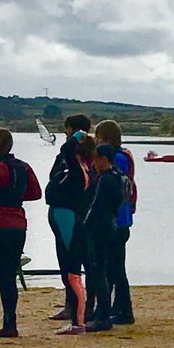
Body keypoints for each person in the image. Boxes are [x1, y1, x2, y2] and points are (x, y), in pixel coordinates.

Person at [0, 128, 42, 338]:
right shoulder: (24, 167)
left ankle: (9, 323)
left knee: (3, 275)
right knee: (11, 273)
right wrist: (16, 195)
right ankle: (10, 320)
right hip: (18, 223)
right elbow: (36, 193)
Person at [45, 115, 92, 330]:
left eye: (68, 130)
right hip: (64, 217)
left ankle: (77, 317)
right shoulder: (79, 165)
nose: (65, 134)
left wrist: (78, 135)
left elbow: (66, 150)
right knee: (69, 266)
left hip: (68, 217)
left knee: (71, 267)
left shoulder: (77, 165)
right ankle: (74, 310)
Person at [94, 120, 137, 325]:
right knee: (115, 268)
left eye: (98, 138)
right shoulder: (123, 156)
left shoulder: (117, 159)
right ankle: (116, 307)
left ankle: (124, 310)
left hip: (117, 220)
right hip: (122, 217)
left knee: (115, 269)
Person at [84, 145, 129, 332]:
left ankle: (102, 316)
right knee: (107, 270)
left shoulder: (105, 178)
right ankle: (105, 313)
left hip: (101, 227)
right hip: (112, 223)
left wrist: (86, 226)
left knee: (99, 271)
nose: (94, 163)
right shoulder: (119, 176)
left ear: (103, 158)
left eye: (96, 159)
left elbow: (97, 205)